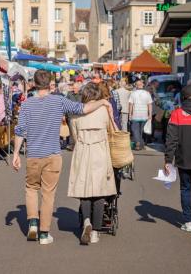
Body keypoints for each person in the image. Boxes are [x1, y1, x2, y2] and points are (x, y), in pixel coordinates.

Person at [12, 70, 110, 245]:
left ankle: (33, 222)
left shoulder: (27, 104)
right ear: (50, 84)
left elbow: (20, 131)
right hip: (53, 154)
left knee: (31, 189)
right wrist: (103, 101)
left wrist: (15, 154)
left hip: (34, 154)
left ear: (34, 84)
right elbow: (83, 108)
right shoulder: (59, 101)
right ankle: (44, 234)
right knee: (48, 194)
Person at [68, 83, 116, 245]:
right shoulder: (103, 110)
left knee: (85, 190)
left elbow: (74, 136)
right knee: (100, 192)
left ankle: (86, 221)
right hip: (100, 151)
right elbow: (112, 131)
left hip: (82, 151)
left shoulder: (77, 113)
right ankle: (95, 231)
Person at [164, 83, 191, 233]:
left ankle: (188, 221)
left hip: (183, 159)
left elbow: (171, 139)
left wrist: (168, 160)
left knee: (185, 189)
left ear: (183, 97)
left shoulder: (177, 113)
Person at [129, 80, 152, 150]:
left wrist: (130, 114)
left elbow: (131, 104)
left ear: (136, 86)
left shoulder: (133, 93)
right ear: (142, 85)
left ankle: (138, 142)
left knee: (135, 129)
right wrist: (150, 114)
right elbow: (150, 105)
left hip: (135, 114)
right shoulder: (147, 93)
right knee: (141, 130)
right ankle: (141, 143)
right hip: (144, 115)